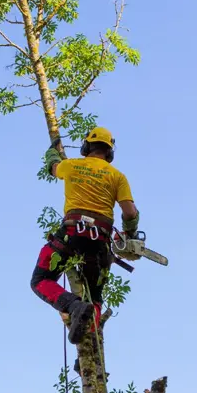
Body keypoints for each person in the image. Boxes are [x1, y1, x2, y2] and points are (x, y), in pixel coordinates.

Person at [30, 127, 140, 344]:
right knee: (95, 297)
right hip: (100, 240)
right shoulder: (117, 176)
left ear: (86, 146)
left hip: (72, 233)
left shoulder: (70, 165)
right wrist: (129, 233)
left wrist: (52, 152)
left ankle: (72, 305)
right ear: (110, 152)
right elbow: (130, 212)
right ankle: (88, 339)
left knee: (40, 280)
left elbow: (53, 167)